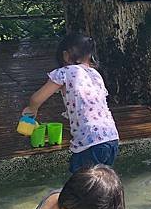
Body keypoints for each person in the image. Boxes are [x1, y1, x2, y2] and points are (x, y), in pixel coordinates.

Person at [22, 33, 119, 173]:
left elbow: (36, 98)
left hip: (89, 142)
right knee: (100, 184)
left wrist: (32, 109)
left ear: (66, 56)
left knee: (79, 186)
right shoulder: (95, 74)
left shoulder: (64, 72)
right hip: (111, 138)